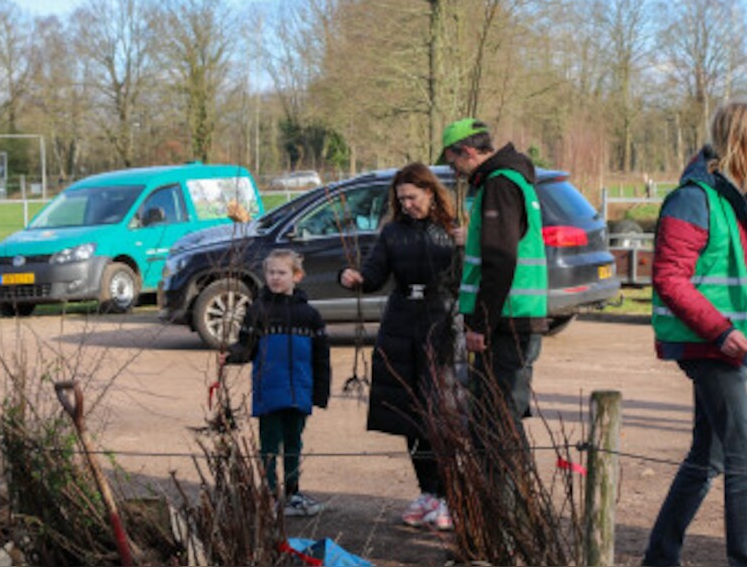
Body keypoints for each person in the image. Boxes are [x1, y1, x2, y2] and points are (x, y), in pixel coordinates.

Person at [644, 102, 747, 566]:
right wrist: (719, 331)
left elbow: (746, 283)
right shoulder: (694, 198)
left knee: (709, 456)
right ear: (738, 143)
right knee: (746, 457)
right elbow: (670, 277)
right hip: (708, 345)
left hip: (722, 342)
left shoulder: (736, 201)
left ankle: (659, 556)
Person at [339, 163, 461, 531]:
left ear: (430, 192)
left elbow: (466, 277)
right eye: (401, 198)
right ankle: (427, 491)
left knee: (442, 412)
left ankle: (448, 496)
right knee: (410, 413)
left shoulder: (453, 230)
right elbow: (375, 274)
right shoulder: (392, 233)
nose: (407, 204)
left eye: (412, 196)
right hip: (401, 322)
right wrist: (354, 278)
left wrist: (466, 246)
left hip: (441, 321)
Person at [441, 117, 547, 449]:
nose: (455, 171)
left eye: (453, 161)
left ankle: (512, 500)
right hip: (514, 317)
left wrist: (480, 326)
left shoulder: (499, 185)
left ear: (469, 151)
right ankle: (509, 500)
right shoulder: (511, 180)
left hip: (506, 322)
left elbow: (500, 260)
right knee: (495, 419)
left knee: (499, 423)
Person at [222, 249, 331, 517]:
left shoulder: (310, 316)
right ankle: (269, 495)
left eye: (281, 273)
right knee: (270, 444)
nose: (275, 278)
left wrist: (320, 393)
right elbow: (246, 347)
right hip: (269, 391)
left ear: (297, 276)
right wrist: (230, 355)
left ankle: (293, 493)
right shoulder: (258, 311)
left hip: (300, 392)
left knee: (294, 442)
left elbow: (321, 358)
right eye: (270, 272)